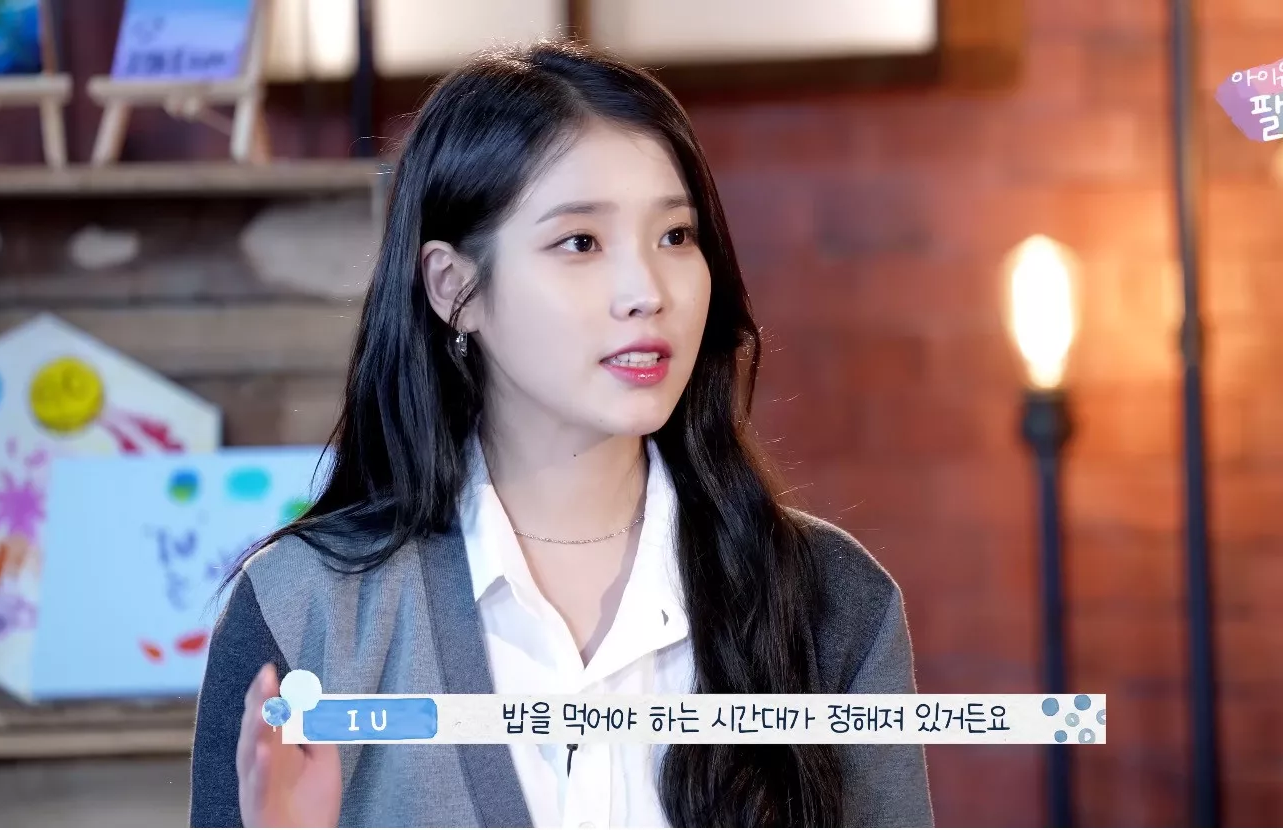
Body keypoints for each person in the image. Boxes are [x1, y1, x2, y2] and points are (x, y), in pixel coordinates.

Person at [189, 39, 933, 829]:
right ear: (454, 287)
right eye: (580, 242)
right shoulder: (306, 610)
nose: (646, 292)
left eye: (675, 237)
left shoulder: (830, 602)